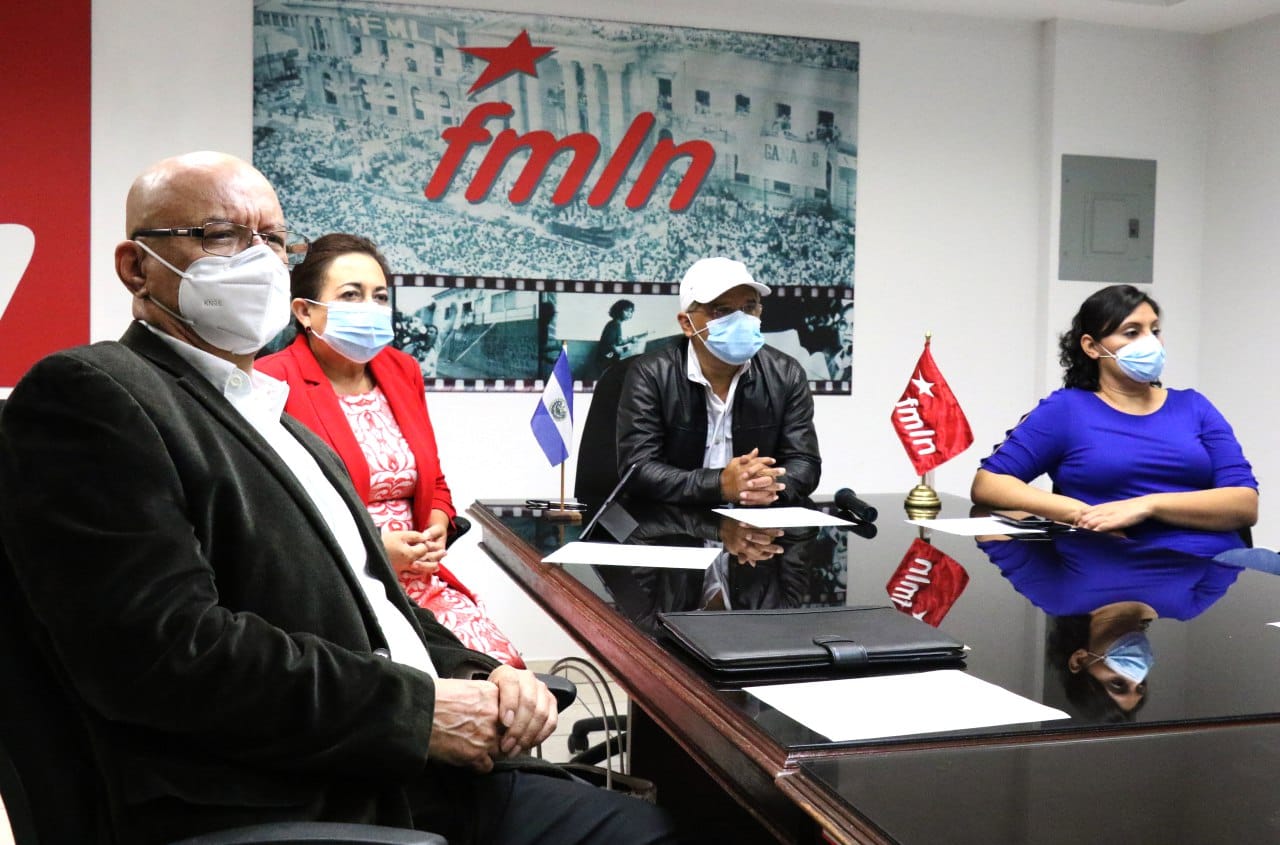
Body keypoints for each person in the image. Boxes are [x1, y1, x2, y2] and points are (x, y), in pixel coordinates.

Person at [0, 152, 676, 845]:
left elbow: (371, 599)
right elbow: (168, 653)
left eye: (274, 240)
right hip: (303, 797)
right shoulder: (94, 395)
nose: (259, 259)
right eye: (222, 234)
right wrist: (419, 713)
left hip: (401, 766)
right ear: (136, 267)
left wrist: (483, 673)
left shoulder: (274, 419)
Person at [256, 233, 523, 667]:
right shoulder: (270, 382)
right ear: (304, 311)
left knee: (504, 669)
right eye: (351, 295)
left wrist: (437, 527)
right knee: (436, 688)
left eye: (379, 296)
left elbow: (433, 479)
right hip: (343, 588)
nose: (371, 308)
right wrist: (377, 550)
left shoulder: (402, 370)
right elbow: (273, 513)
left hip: (422, 579)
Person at [971, 284, 1257, 557]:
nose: (1150, 342)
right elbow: (989, 483)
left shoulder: (1194, 406)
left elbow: (1244, 503)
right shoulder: (1066, 409)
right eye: (1132, 332)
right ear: (1092, 347)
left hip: (1221, 564)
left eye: (1155, 331)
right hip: (1122, 563)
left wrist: (1148, 505)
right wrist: (1080, 513)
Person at [616, 256, 821, 506]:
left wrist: (766, 486)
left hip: (753, 522)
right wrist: (719, 485)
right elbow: (638, 469)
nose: (740, 320)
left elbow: (805, 463)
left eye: (749, 308)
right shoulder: (651, 374)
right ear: (687, 324)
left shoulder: (787, 374)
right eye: (722, 311)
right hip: (672, 522)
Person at [593, 298, 645, 375]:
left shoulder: (616, 324)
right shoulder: (614, 324)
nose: (629, 314)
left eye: (631, 311)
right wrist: (622, 351)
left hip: (609, 358)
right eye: (626, 311)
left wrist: (630, 340)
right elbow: (610, 343)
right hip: (606, 359)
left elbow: (618, 341)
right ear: (618, 310)